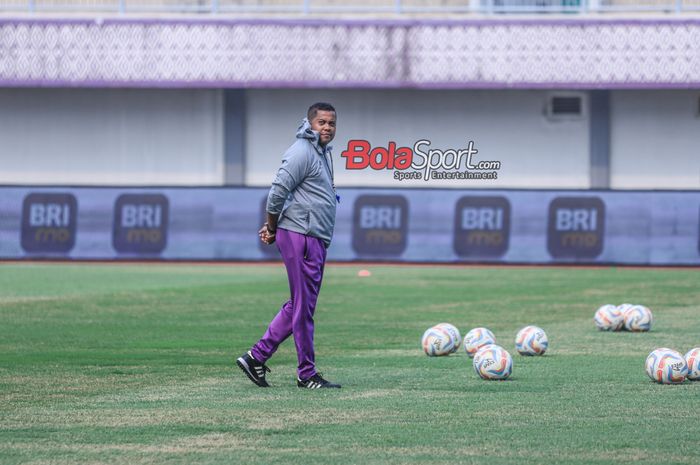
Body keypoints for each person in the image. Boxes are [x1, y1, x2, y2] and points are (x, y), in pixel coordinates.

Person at [236, 102, 341, 389]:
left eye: (332, 123)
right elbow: (277, 191)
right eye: (322, 122)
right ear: (310, 124)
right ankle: (306, 373)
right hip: (302, 235)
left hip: (311, 235)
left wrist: (275, 226)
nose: (328, 128)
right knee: (303, 309)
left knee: (299, 304)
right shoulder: (301, 152)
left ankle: (256, 357)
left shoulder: (320, 153)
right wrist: (272, 226)